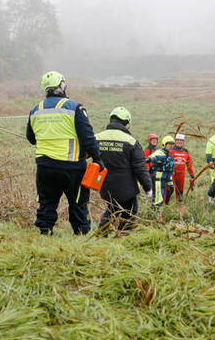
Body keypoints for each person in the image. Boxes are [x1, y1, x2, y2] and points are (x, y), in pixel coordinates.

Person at [26, 71, 103, 235]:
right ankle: (81, 234)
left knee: (47, 202)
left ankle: (45, 233)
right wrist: (98, 158)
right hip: (72, 167)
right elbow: (87, 138)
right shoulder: (75, 107)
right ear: (62, 87)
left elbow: (31, 138)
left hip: (45, 166)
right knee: (78, 203)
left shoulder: (35, 110)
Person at [95, 107, 152, 235]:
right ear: (126, 123)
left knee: (111, 210)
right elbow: (140, 167)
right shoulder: (131, 141)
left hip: (105, 186)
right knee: (129, 212)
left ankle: (100, 235)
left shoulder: (96, 137)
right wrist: (148, 187)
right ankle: (123, 237)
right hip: (126, 188)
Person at [147, 136, 175, 207]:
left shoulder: (169, 154)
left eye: (172, 144)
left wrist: (170, 183)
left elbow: (170, 168)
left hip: (167, 176)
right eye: (169, 144)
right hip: (159, 177)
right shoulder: (160, 152)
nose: (171, 146)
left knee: (171, 190)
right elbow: (153, 156)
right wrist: (149, 159)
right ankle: (154, 212)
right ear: (164, 144)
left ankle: (165, 205)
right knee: (158, 197)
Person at [170, 133, 195, 203]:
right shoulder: (171, 150)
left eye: (181, 140)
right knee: (169, 189)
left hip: (181, 174)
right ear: (175, 141)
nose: (179, 142)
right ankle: (166, 203)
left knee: (180, 190)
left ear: (183, 142)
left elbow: (189, 164)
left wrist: (192, 175)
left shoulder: (185, 152)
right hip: (172, 173)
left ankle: (179, 203)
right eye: (178, 140)